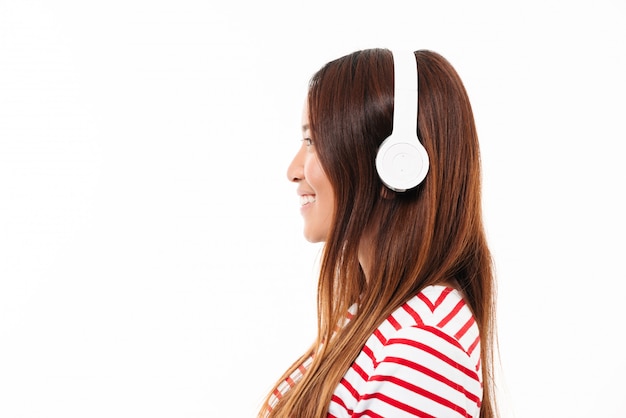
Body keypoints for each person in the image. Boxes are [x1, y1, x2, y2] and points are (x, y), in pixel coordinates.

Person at [258, 48, 498, 418]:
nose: (293, 170)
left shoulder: (425, 341)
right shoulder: (381, 317)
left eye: (313, 141)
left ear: (397, 165)